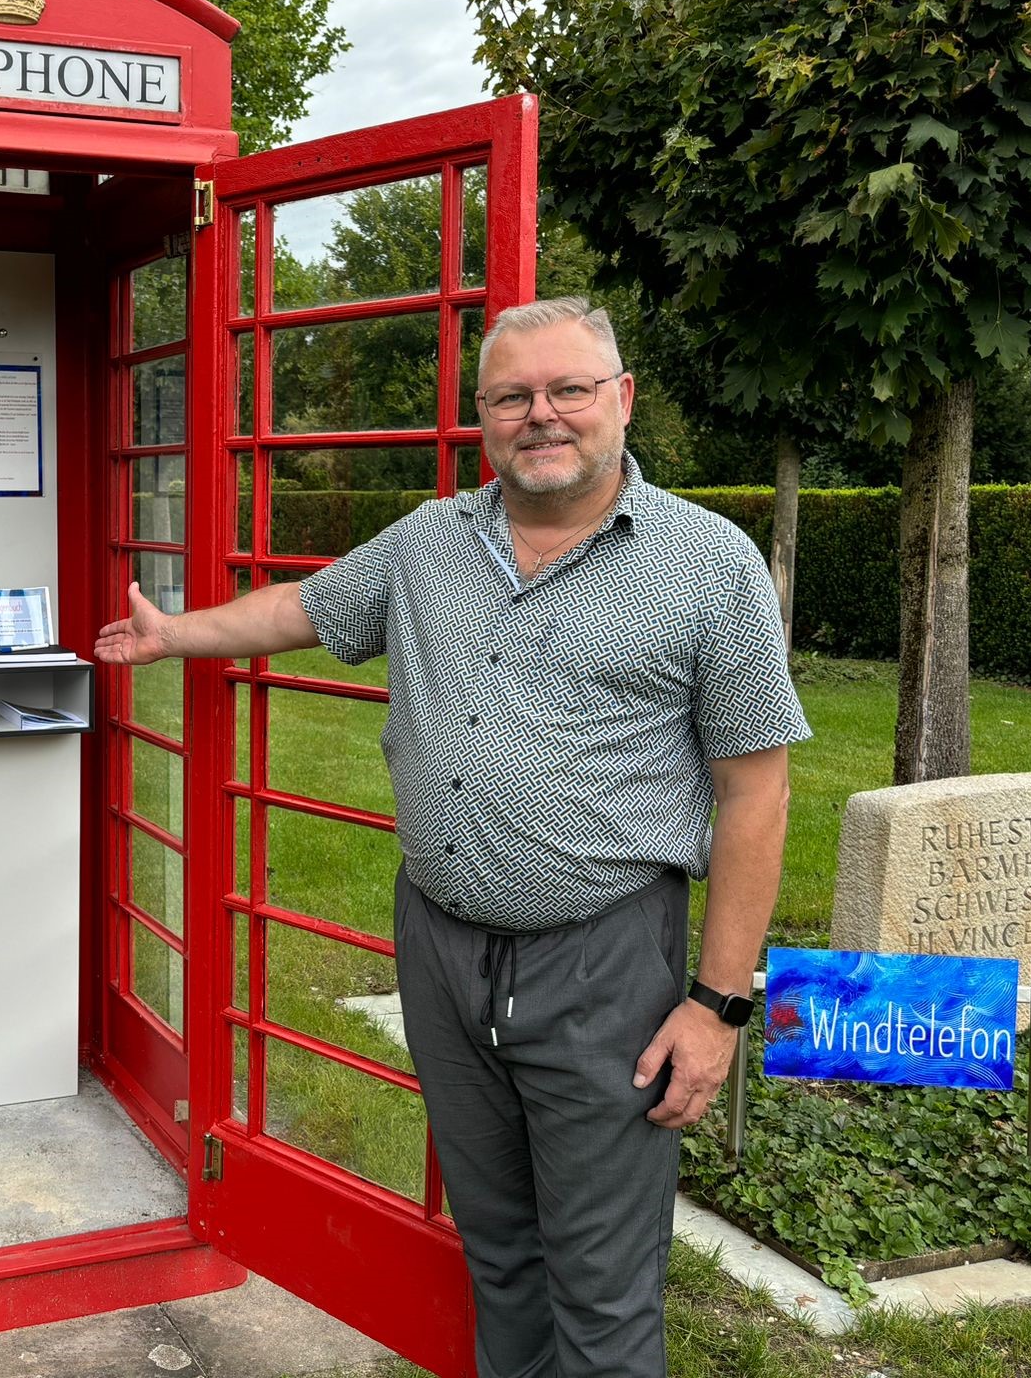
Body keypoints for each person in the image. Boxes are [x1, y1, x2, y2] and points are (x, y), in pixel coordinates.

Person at [94, 297, 810, 1378]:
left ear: (620, 400)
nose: (542, 416)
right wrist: (173, 635)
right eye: (511, 396)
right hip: (438, 948)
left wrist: (714, 1008)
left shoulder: (707, 565)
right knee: (500, 1254)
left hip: (602, 960)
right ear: (482, 417)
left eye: (568, 389)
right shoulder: (431, 540)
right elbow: (308, 607)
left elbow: (755, 794)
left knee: (602, 1288)